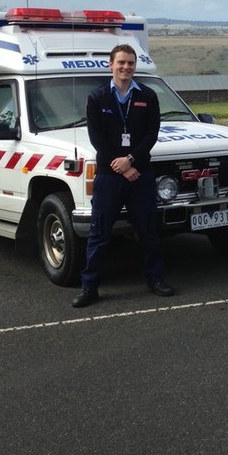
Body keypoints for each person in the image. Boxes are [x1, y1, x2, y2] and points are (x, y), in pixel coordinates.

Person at [72, 44, 174, 308]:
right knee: (99, 233)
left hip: (140, 172)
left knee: (149, 231)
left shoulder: (148, 96)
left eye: (130, 63)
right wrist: (119, 165)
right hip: (109, 175)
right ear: (111, 64)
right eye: (121, 62)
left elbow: (151, 134)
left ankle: (155, 280)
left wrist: (130, 161)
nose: (126, 67)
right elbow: (97, 139)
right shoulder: (97, 98)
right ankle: (89, 287)